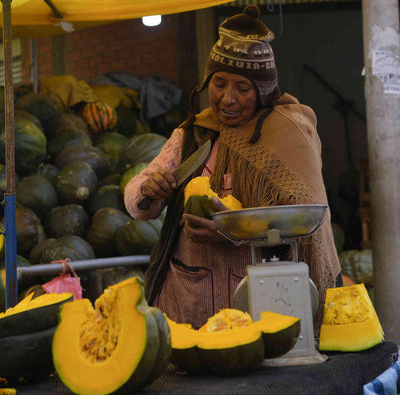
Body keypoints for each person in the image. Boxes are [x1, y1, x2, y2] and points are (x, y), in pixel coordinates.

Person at [124, 5, 341, 331]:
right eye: (219, 83)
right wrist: (147, 189)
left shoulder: (288, 135)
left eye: (242, 88)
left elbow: (304, 225)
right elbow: (137, 207)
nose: (227, 98)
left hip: (258, 306)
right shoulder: (192, 135)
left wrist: (235, 234)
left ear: (264, 91)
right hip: (186, 302)